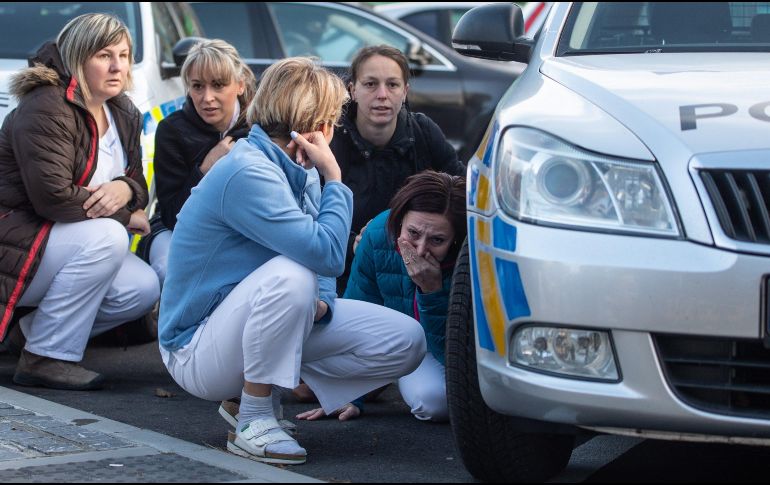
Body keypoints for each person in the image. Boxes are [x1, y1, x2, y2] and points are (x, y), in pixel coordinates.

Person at [158, 57, 426, 465]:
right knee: (291, 274)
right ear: (320, 124)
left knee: (406, 341)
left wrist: (321, 302)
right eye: (334, 116)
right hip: (195, 350)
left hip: (242, 331)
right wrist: (335, 178)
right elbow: (327, 254)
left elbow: (321, 270)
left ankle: (255, 396)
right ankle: (253, 417)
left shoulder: (295, 166)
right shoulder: (249, 171)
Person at [0, 13, 159, 390]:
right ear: (77, 57)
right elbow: (52, 197)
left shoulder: (121, 110)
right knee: (108, 236)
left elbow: (137, 179)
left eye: (124, 54)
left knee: (141, 287)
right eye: (104, 55)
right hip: (19, 239)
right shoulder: (47, 107)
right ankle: (46, 357)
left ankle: (29, 335)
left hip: (59, 245)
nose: (118, 66)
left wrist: (125, 190)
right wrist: (124, 215)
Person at [297, 171, 466, 423]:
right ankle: (383, 377)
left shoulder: (469, 254)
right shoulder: (378, 233)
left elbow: (457, 356)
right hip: (392, 340)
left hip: (437, 348)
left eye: (437, 240)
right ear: (399, 221)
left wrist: (432, 292)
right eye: (413, 233)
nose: (420, 249)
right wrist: (351, 396)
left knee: (434, 402)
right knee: (303, 386)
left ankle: (390, 377)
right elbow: (359, 310)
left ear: (455, 239)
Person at [330, 45, 466, 295]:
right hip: (344, 272)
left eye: (392, 85)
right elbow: (309, 212)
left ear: (405, 91)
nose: (382, 94)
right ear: (352, 90)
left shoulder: (423, 132)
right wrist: (351, 243)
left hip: (417, 271)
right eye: (370, 84)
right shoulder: (331, 137)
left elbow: (462, 192)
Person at [138, 39, 256, 287]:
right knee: (172, 268)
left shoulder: (260, 127)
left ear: (240, 84)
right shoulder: (172, 130)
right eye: (197, 86)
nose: (207, 98)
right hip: (179, 229)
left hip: (243, 230)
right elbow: (171, 214)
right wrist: (205, 168)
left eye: (218, 85)